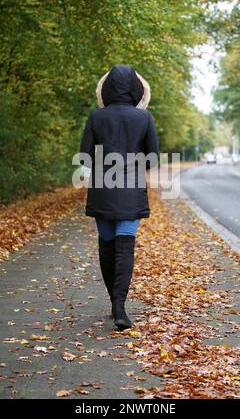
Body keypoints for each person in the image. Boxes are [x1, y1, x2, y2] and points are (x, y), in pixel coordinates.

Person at [80, 64, 159, 330]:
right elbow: (152, 159)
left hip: (102, 188)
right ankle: (120, 308)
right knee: (125, 248)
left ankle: (114, 301)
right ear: (136, 89)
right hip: (131, 189)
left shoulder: (96, 117)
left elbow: (85, 157)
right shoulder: (144, 118)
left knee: (106, 245)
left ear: (107, 88)